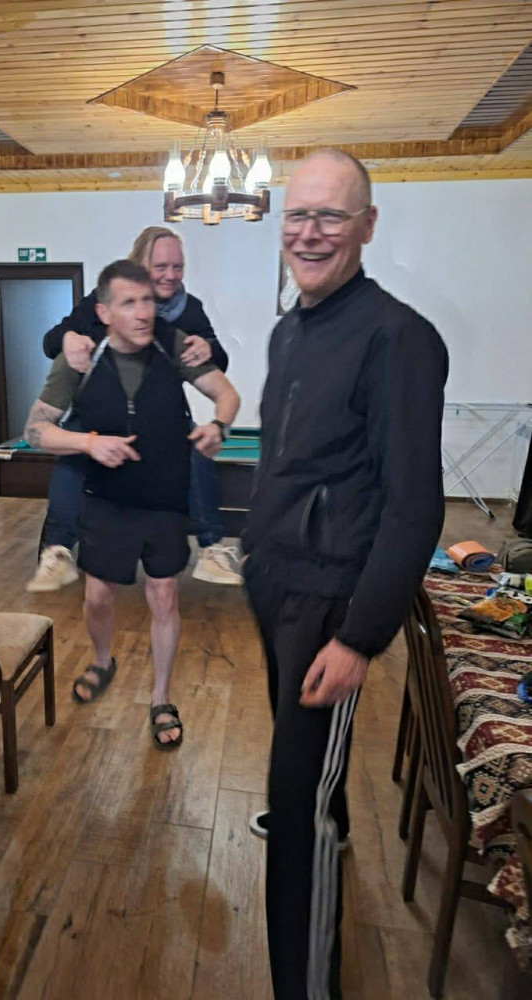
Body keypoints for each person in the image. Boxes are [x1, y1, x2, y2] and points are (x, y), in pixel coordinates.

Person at [242, 150, 448, 1000]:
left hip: (329, 606)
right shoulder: (288, 331)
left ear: (366, 225)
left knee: (295, 813)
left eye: (330, 216)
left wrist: (360, 637)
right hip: (275, 585)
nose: (310, 233)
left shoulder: (399, 337)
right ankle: (328, 817)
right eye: (297, 215)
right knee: (306, 784)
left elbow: (414, 506)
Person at [24, 259, 240, 748]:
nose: (143, 312)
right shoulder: (79, 357)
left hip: (165, 500)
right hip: (106, 501)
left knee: (164, 596)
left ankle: (161, 698)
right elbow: (36, 430)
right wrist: (87, 443)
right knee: (97, 597)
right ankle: (103, 661)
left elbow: (226, 394)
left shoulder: (173, 344)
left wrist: (219, 425)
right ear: (104, 312)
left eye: (147, 301)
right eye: (129, 303)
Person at [26, 226, 243, 592]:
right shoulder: (102, 300)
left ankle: (211, 546)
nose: (170, 275)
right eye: (161, 267)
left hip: (158, 409)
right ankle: (58, 549)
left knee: (195, 449)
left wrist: (208, 348)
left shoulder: (188, 309)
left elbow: (218, 364)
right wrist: (68, 338)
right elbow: (52, 340)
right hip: (99, 406)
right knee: (72, 455)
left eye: (178, 266)